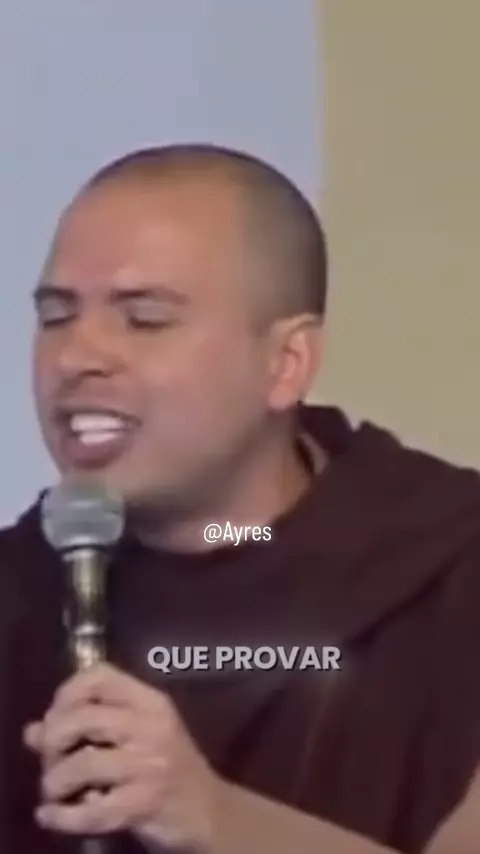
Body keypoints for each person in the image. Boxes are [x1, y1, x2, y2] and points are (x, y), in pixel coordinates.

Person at [2, 143, 480, 854]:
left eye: (144, 319)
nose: (76, 357)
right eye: (57, 316)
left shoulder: (449, 562)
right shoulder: (23, 585)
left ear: (286, 363)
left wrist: (215, 817)